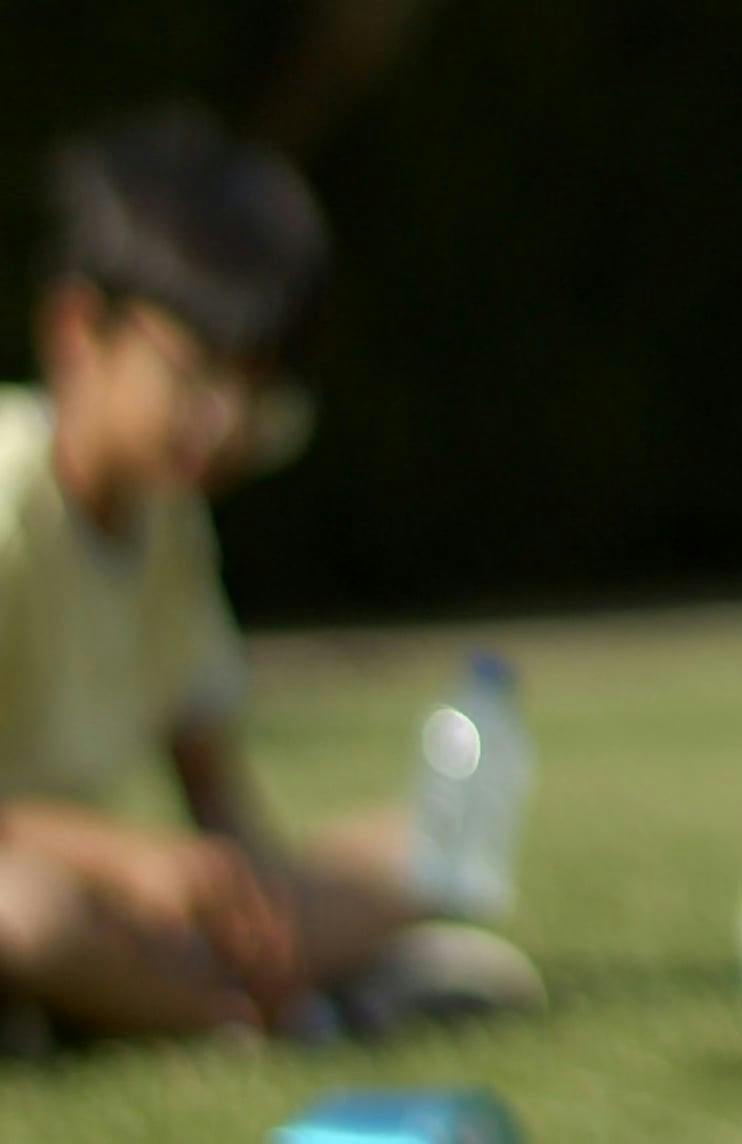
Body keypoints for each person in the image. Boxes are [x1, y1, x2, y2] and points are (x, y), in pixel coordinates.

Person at [0, 108, 536, 1050]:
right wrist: (126, 857)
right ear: (81, 331)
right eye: (199, 373)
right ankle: (244, 1014)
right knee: (26, 914)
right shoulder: (8, 491)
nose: (228, 421)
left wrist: (257, 907)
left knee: (412, 849)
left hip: (92, 901)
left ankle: (190, 994)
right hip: (38, 895)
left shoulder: (167, 521)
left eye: (255, 386)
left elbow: (210, 782)